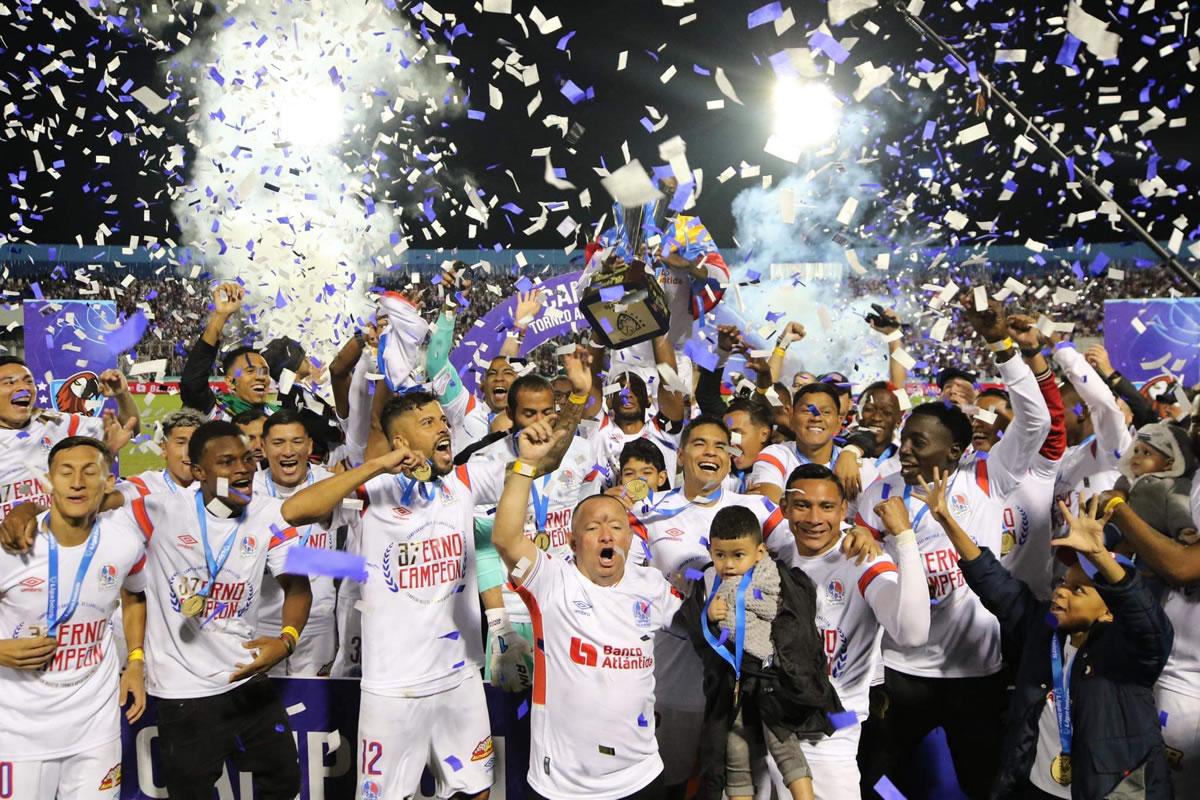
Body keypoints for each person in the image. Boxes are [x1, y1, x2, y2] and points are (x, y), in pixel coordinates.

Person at [281, 382, 592, 800]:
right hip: (393, 688)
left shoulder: (463, 480)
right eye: (429, 422)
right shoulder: (373, 491)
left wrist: (574, 402)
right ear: (401, 441)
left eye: (443, 419)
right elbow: (294, 511)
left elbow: (547, 459)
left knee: (475, 793)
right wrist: (377, 465)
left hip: (460, 676)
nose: (444, 426)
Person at [854, 294, 1052, 800]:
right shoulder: (879, 490)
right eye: (904, 438)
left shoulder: (987, 475)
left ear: (954, 450)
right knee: (866, 777)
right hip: (901, 669)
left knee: (984, 783)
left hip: (976, 672)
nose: (905, 448)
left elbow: (1035, 421)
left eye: (919, 441)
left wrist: (1000, 345)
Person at [924, 472, 1173, 799]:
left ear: (1108, 610)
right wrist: (947, 520)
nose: (1060, 593)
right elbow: (994, 583)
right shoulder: (1044, 629)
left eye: (1077, 591)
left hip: (1105, 790)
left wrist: (1100, 556)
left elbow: (1146, 620)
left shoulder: (1130, 653)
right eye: (1062, 584)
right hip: (1035, 788)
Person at [489, 417, 685, 799]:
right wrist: (526, 465)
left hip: (640, 777)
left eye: (615, 525)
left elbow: (698, 628)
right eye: (594, 527)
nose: (607, 533)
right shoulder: (551, 582)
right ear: (572, 541)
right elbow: (506, 538)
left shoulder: (653, 586)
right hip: (561, 785)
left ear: (629, 538)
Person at [0, 437, 148, 800]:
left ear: (109, 481)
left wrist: (135, 662)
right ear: (49, 481)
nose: (77, 482)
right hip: (18, 731)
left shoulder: (125, 541)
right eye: (65, 473)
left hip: (95, 728)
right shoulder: (10, 545)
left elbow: (135, 595)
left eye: (89, 472)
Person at [779, 464, 929, 800]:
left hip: (834, 734)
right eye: (802, 505)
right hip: (775, 729)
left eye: (827, 507)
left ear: (843, 509)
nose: (814, 517)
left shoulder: (864, 559)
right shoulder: (777, 555)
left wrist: (904, 539)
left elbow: (913, 633)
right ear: (784, 509)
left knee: (879, 783)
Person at [676, 504, 844, 800]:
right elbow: (694, 629)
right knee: (735, 749)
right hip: (734, 685)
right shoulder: (707, 581)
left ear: (760, 552)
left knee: (782, 742)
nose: (728, 564)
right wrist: (707, 616)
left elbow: (789, 622)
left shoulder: (775, 578)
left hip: (771, 680)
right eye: (719, 555)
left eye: (738, 555)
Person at [252, 409, 353, 675]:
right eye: (278, 443)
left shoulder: (332, 485)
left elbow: (357, 553)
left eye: (297, 442)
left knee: (311, 709)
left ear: (309, 445)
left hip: (318, 624)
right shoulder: (248, 491)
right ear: (262, 447)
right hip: (261, 624)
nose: (288, 451)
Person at [1, 356, 139, 521]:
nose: (23, 388)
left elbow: (129, 429)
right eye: (9, 383)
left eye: (28, 381)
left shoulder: (55, 422)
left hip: (63, 538)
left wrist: (122, 395)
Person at [748, 383, 862, 506]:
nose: (816, 418)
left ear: (838, 422)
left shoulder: (857, 466)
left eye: (826, 412)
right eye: (807, 410)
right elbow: (766, 509)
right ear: (791, 417)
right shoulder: (775, 455)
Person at [181, 282, 276, 421]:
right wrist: (220, 316)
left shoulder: (279, 418)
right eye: (250, 371)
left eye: (264, 371)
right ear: (230, 382)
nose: (260, 377)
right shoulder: (215, 410)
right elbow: (192, 383)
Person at [119, 407, 207, 499]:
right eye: (181, 443)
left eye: (196, 443)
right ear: (164, 448)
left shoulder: (216, 489)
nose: (189, 451)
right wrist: (110, 449)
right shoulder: (144, 486)